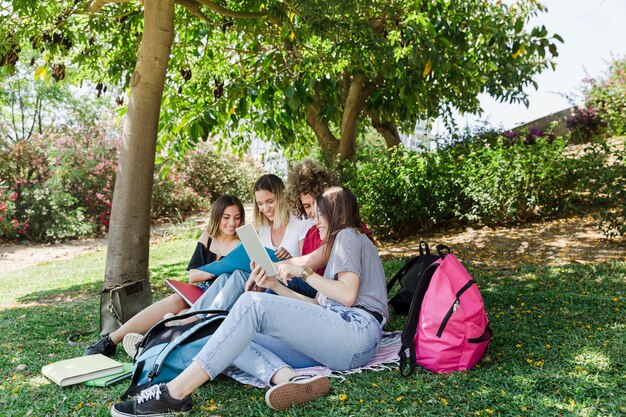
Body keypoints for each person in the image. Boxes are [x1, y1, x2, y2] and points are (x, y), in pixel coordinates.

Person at [110, 186, 389, 416]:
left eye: (320, 215)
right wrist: (272, 286)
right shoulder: (337, 248)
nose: (316, 221)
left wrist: (302, 272)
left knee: (250, 304)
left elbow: (348, 295)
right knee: (231, 333)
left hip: (355, 332)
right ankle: (289, 380)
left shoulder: (349, 236)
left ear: (336, 213)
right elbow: (318, 307)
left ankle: (174, 393)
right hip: (339, 341)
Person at [84, 195, 245, 357]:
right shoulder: (208, 237)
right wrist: (218, 269)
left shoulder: (241, 243)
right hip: (201, 291)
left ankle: (145, 346)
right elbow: (193, 275)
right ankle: (111, 340)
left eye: (237, 218)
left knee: (182, 316)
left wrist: (213, 272)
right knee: (175, 300)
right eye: (226, 217)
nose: (232, 223)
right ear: (217, 217)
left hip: (221, 297)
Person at [188, 174, 313, 311]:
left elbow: (307, 267)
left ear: (282, 197)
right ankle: (196, 315)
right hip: (269, 279)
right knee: (226, 276)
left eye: (270, 201)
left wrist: (290, 260)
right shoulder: (261, 229)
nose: (265, 208)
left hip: (293, 280)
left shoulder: (300, 222)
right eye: (260, 204)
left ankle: (209, 319)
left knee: (240, 276)